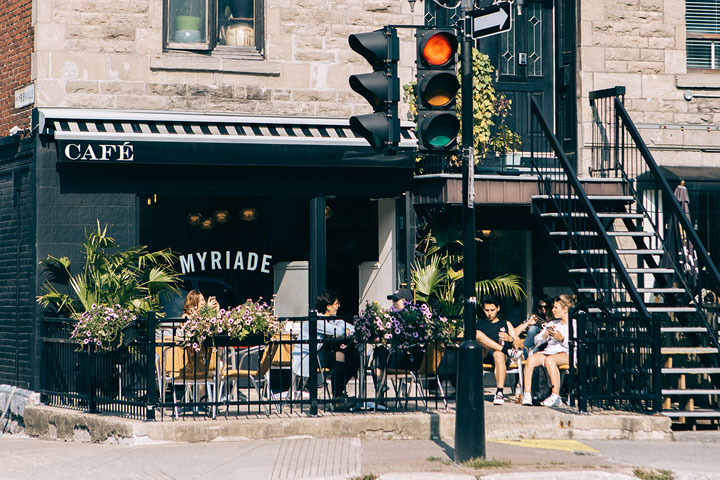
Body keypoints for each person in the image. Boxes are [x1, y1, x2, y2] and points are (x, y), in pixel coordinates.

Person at [291, 290, 358, 408]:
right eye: (336, 303)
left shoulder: (332, 319)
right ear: (328, 306)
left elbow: (349, 327)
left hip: (317, 354)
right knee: (340, 357)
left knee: (352, 358)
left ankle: (338, 394)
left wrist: (348, 330)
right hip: (307, 356)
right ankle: (337, 397)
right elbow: (337, 331)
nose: (339, 306)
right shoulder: (316, 319)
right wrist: (345, 331)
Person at [521, 294, 575, 407]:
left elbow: (577, 344)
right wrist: (545, 334)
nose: (553, 310)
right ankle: (527, 393)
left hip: (566, 353)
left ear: (565, 309)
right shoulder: (552, 323)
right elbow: (536, 341)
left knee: (550, 360)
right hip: (549, 352)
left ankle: (556, 395)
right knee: (530, 360)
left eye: (556, 308)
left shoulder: (574, 324)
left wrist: (562, 339)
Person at [475, 294, 520, 405]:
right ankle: (506, 350)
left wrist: (510, 339)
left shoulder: (505, 323)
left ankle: (499, 392)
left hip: (501, 357)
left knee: (498, 354)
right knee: (477, 334)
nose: (489, 313)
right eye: (487, 310)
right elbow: (462, 336)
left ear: (498, 308)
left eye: (492, 310)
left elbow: (519, 345)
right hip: (484, 355)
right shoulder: (479, 323)